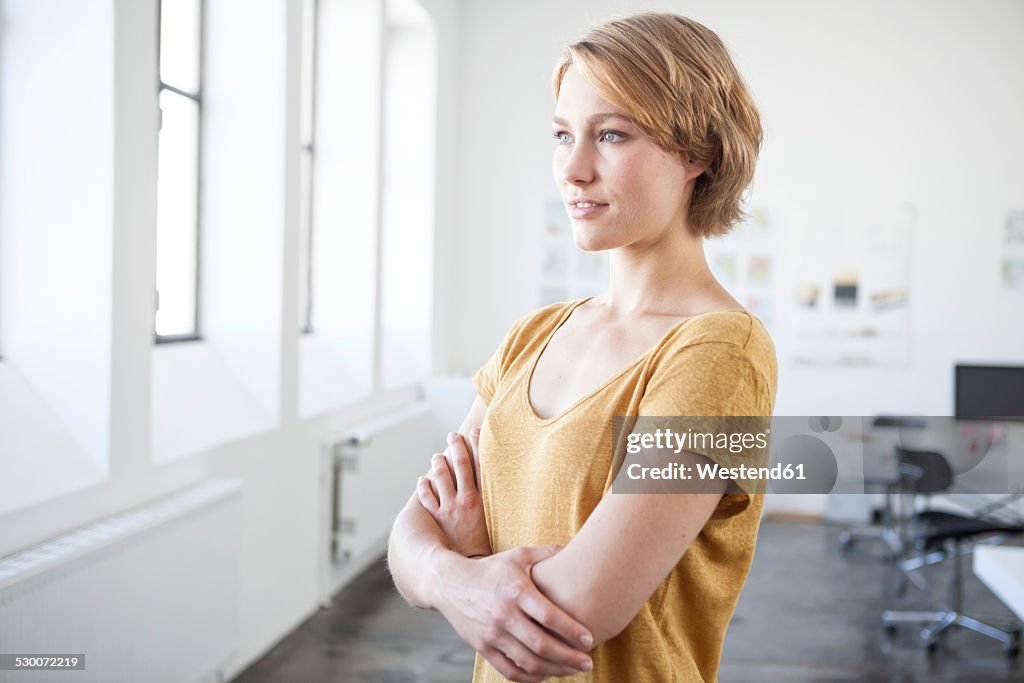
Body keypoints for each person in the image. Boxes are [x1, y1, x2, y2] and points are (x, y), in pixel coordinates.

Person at [387, 11, 776, 682]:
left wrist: (462, 564)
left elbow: (584, 608)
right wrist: (452, 574)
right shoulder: (531, 336)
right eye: (563, 134)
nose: (574, 167)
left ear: (698, 153)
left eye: (612, 134)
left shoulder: (724, 354)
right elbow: (406, 537)